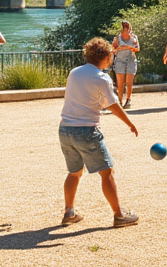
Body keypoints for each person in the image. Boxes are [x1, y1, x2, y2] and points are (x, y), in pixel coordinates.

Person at [59, 37, 139, 228]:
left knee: (74, 172)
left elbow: (87, 97)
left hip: (65, 129)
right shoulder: (101, 77)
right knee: (107, 171)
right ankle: (119, 216)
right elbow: (113, 104)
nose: (113, 56)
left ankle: (69, 212)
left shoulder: (74, 72)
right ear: (104, 56)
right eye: (111, 53)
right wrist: (130, 123)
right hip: (86, 131)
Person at [110, 21, 139, 109]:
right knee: (120, 83)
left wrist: (127, 47)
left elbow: (137, 48)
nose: (126, 30)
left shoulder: (134, 37)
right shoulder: (117, 38)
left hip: (131, 60)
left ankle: (128, 99)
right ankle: (119, 100)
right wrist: (119, 48)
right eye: (124, 28)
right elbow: (113, 50)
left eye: (127, 28)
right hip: (120, 60)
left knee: (129, 82)